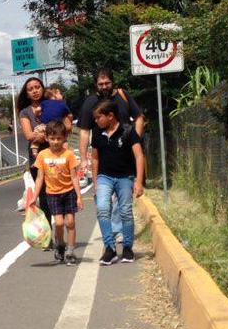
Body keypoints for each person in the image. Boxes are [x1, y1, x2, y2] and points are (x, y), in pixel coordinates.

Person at [78, 68, 145, 239]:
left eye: (107, 82)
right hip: (102, 154)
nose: (104, 86)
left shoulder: (123, 96)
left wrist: (134, 139)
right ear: (96, 85)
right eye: (100, 84)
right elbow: (85, 131)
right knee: (105, 195)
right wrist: (84, 157)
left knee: (121, 195)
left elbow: (138, 118)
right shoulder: (90, 102)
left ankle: (118, 230)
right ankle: (115, 230)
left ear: (113, 82)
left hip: (124, 155)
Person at [91, 100, 144, 266]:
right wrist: (95, 182)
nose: (96, 121)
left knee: (126, 211)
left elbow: (139, 156)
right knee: (102, 209)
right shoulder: (98, 133)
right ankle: (110, 249)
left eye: (99, 117)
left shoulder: (128, 131)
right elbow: (94, 158)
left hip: (125, 177)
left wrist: (139, 182)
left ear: (110, 116)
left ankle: (127, 247)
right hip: (104, 177)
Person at [31, 120, 83, 265]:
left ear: (64, 138)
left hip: (69, 193)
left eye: (59, 138)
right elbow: (40, 177)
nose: (55, 142)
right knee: (59, 223)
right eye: (52, 138)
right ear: (46, 138)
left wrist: (79, 196)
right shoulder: (42, 155)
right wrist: (34, 197)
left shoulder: (69, 155)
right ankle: (60, 245)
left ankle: (71, 251)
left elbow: (74, 177)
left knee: (71, 222)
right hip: (52, 194)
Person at [17, 76, 52, 232]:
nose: (35, 91)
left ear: (42, 88)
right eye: (30, 89)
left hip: (55, 153)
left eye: (37, 87)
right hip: (37, 156)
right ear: (27, 93)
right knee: (43, 195)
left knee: (57, 191)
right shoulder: (25, 112)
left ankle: (59, 228)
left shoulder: (50, 106)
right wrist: (48, 135)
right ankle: (48, 232)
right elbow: (29, 135)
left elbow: (62, 126)